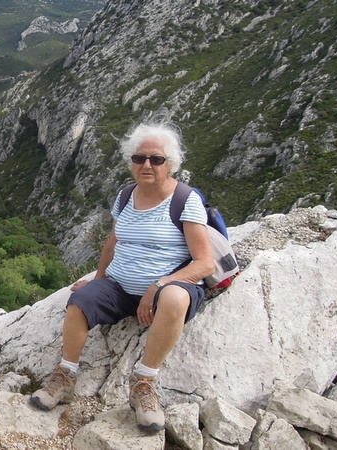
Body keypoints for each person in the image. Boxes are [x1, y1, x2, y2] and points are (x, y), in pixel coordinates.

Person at [29, 121, 214, 432]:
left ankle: (143, 383)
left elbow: (205, 263)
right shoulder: (126, 196)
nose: (146, 165)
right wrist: (99, 279)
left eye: (156, 159)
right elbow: (113, 243)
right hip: (120, 287)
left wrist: (158, 285)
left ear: (170, 164)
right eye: (139, 158)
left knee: (175, 295)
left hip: (166, 290)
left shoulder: (185, 200)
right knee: (79, 301)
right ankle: (65, 376)